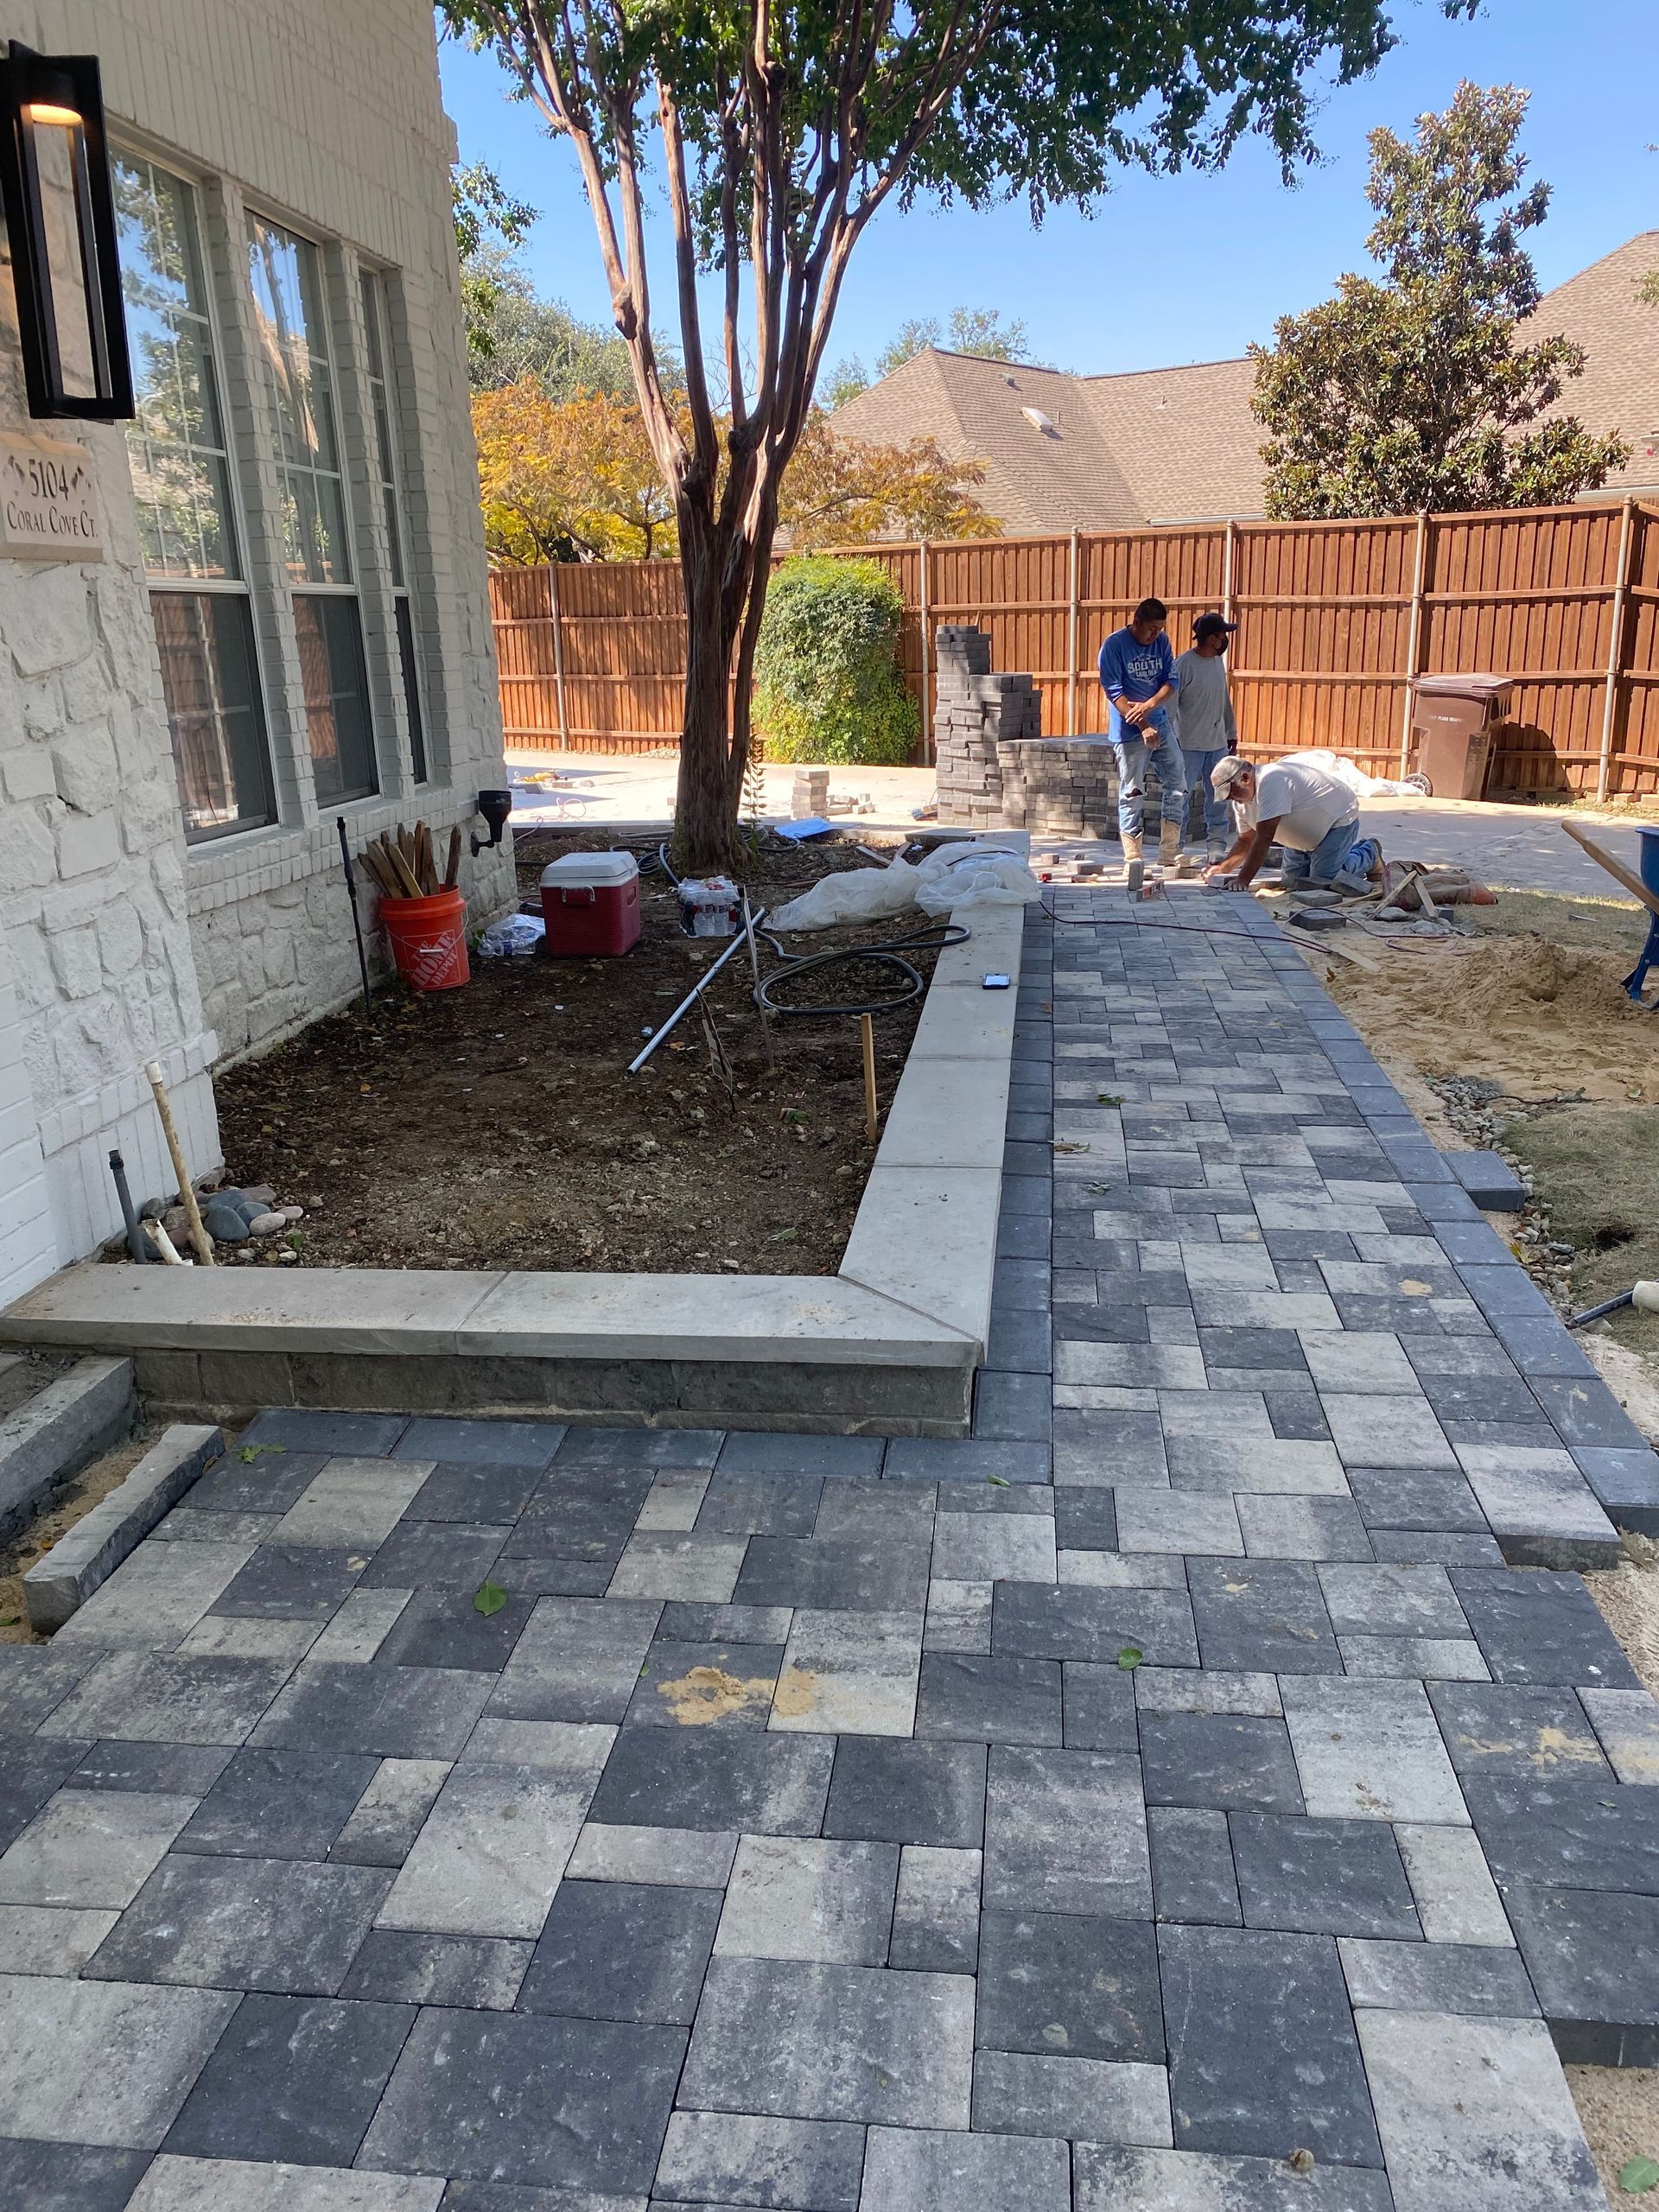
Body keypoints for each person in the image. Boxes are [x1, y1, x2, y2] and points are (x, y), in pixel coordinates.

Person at [1096, 595, 1186, 870]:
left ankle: (1169, 852)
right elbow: (1114, 691)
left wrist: (1149, 706)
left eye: (1160, 628)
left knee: (1177, 782)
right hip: (1129, 731)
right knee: (1133, 791)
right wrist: (1142, 725)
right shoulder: (1114, 646)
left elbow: (1171, 681)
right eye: (1151, 629)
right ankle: (1133, 857)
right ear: (1136, 622)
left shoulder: (1162, 642)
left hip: (1159, 723)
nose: (1155, 634)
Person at [1204, 754, 1382, 893]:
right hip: (1302, 835)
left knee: (1324, 880)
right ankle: (1324, 856)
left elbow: (1264, 837)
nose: (1230, 798)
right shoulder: (1241, 804)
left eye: (1231, 792)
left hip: (1336, 819)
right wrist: (1222, 868)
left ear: (1244, 778)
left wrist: (1243, 880)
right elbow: (1246, 841)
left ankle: (1369, 853)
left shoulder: (1272, 781)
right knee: (1292, 883)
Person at [1169, 613, 1237, 863]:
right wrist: (1171, 742)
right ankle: (1175, 848)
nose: (1225, 639)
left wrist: (1231, 731)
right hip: (1188, 745)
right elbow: (1170, 706)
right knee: (1180, 798)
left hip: (1217, 744)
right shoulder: (1184, 665)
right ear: (1211, 638)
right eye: (1222, 635)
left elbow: (1223, 699)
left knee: (1219, 797)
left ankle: (1216, 847)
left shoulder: (1218, 662)